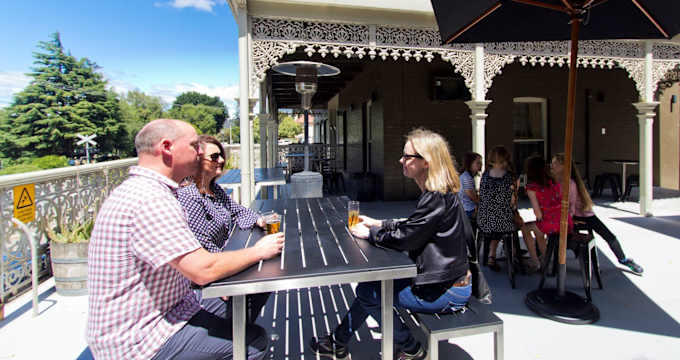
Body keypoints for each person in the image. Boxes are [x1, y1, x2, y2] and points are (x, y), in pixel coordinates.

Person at [86, 119, 285, 360]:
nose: (199, 152)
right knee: (253, 342)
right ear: (166, 147)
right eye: (193, 145)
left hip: (177, 305)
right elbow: (202, 270)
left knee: (251, 291)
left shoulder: (151, 191)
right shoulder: (149, 200)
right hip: (142, 339)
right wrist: (258, 251)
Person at [310, 128, 471, 360]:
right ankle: (337, 342)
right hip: (442, 281)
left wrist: (371, 234)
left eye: (407, 156)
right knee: (372, 286)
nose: (401, 160)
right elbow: (415, 225)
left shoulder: (435, 197)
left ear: (426, 162)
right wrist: (379, 223)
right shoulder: (438, 194)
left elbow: (405, 238)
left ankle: (411, 349)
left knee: (368, 292)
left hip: (446, 291)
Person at [176, 135, 273, 321]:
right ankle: (237, 332)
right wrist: (227, 274)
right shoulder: (190, 195)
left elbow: (238, 211)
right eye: (214, 157)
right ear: (197, 161)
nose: (221, 160)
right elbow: (201, 244)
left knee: (265, 274)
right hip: (204, 283)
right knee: (261, 276)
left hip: (223, 263)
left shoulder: (214, 189)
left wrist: (259, 220)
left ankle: (242, 329)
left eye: (221, 155)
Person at [551, 153, 644, 274]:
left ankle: (623, 259)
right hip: (575, 215)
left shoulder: (570, 183)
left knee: (607, 235)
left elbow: (571, 207)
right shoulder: (560, 180)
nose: (552, 165)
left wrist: (566, 221)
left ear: (563, 166)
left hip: (583, 215)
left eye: (555, 163)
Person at [524, 155, 570, 269]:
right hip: (565, 222)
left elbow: (538, 213)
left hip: (550, 223)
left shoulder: (532, 187)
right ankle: (546, 258)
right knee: (538, 231)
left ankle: (535, 261)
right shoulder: (554, 181)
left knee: (525, 228)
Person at [476, 146, 517, 271]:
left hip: (484, 219)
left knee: (495, 224)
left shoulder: (485, 175)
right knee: (508, 224)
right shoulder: (508, 177)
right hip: (503, 220)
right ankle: (511, 253)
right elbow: (512, 201)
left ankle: (492, 255)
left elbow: (482, 195)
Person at [459, 152, 482, 236]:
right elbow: (470, 194)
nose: (480, 165)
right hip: (468, 211)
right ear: (470, 164)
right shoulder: (466, 177)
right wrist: (480, 203)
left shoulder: (468, 176)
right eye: (478, 163)